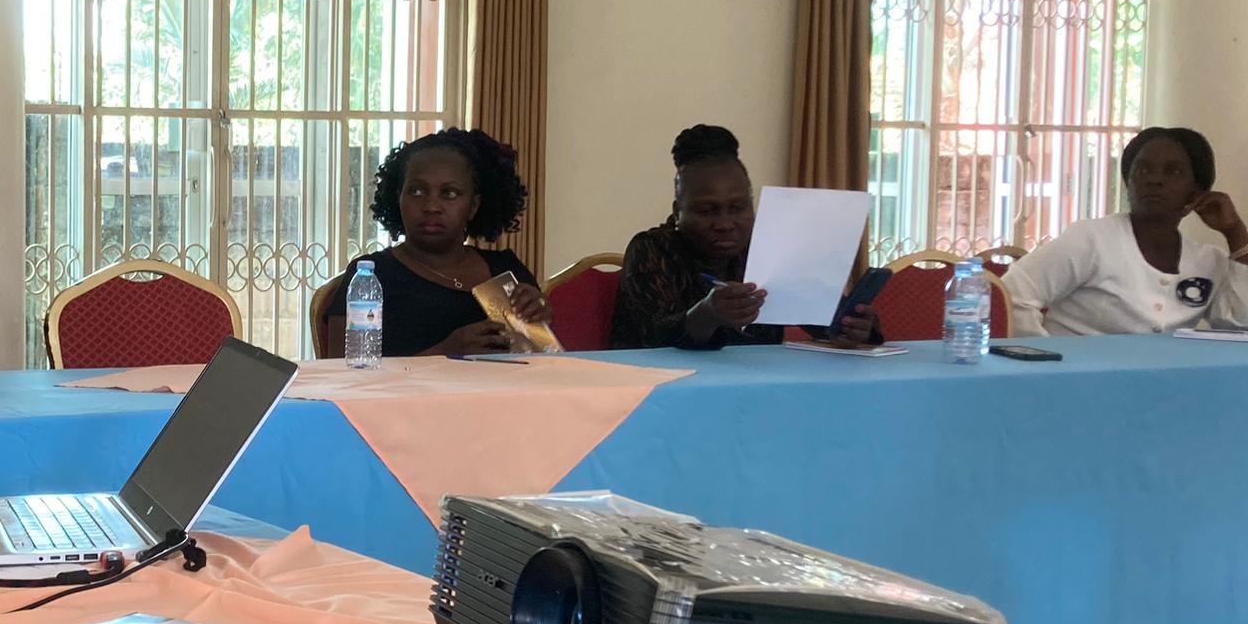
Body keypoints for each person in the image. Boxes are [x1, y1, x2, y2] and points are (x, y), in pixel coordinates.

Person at [605, 125, 879, 349]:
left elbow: (822, 321)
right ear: (678, 211)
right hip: (664, 389)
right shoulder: (653, 249)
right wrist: (705, 315)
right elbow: (649, 338)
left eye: (737, 208)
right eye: (707, 211)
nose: (725, 224)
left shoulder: (768, 248)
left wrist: (853, 328)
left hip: (760, 386)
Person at [1003, 125, 1248, 337]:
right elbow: (1013, 295)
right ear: (1128, 181)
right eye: (1143, 170)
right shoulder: (1092, 239)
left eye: (1173, 172)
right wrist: (1048, 362)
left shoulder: (1208, 261)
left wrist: (1235, 231)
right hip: (1076, 382)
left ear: (1197, 191)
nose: (1155, 179)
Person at [315, 128, 548, 358]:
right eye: (416, 191)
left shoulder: (506, 269)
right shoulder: (371, 277)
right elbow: (342, 372)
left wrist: (541, 322)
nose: (431, 206)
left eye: (449, 193)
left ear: (473, 206)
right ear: (399, 198)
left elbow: (541, 363)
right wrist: (444, 354)